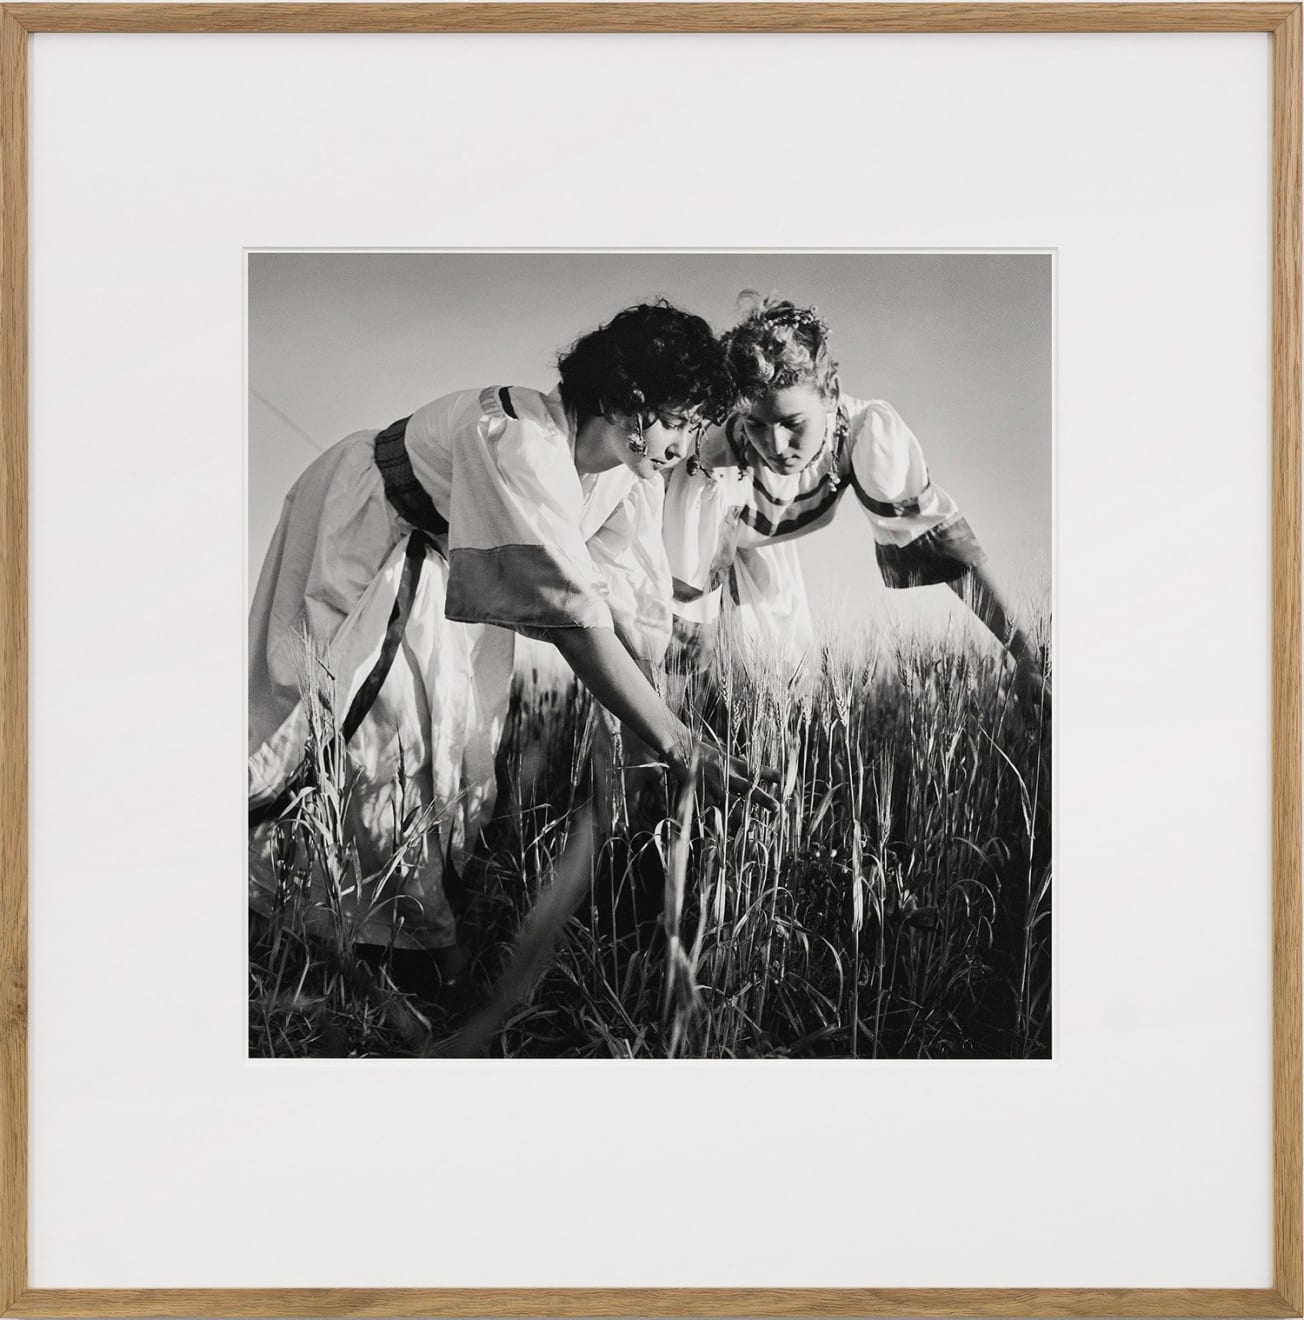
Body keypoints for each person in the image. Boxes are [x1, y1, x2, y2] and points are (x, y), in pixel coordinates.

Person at [248, 300, 776, 993]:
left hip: (446, 569)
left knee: (458, 749)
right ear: (626, 400)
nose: (683, 445)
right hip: (368, 527)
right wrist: (680, 745)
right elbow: (572, 620)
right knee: (350, 728)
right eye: (676, 422)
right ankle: (296, 920)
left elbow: (624, 616)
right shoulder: (520, 438)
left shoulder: (625, 480)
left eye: (693, 426)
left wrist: (656, 746)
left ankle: (392, 941)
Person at [662, 294, 1047, 693]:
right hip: (679, 553)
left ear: (831, 392)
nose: (775, 445)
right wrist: (692, 636)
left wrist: (1025, 656)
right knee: (686, 681)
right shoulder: (712, 451)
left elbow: (947, 552)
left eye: (792, 423)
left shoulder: (865, 433)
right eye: (755, 425)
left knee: (779, 687)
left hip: (764, 561)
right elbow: (689, 566)